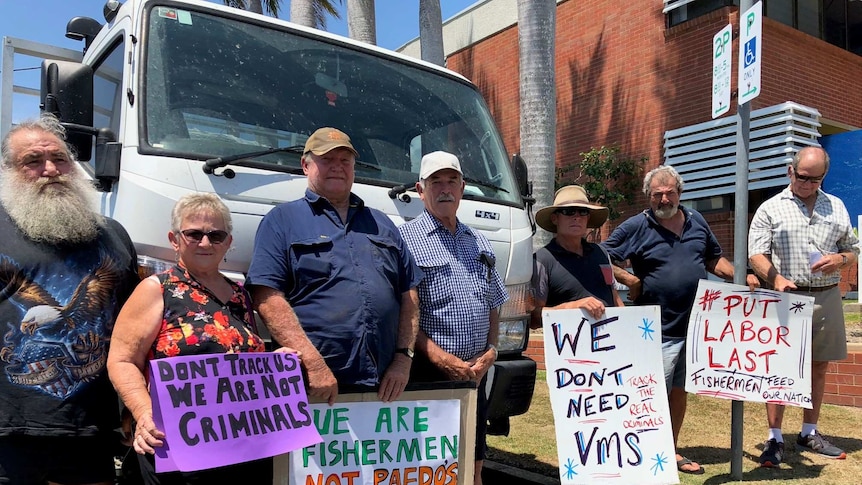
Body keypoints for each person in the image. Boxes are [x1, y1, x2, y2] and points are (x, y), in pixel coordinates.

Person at [107, 193, 289, 484]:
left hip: (240, 443)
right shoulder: (156, 289)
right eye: (194, 234)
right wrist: (144, 413)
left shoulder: (241, 295)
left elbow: (241, 364)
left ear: (228, 243)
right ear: (175, 239)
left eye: (216, 235)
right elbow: (122, 359)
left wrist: (274, 366)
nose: (205, 243)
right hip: (176, 445)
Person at [0, 114, 140, 485]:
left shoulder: (113, 236)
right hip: (8, 432)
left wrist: (134, 405)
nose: (50, 169)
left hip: (90, 431)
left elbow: (134, 332)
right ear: (8, 170)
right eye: (33, 161)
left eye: (60, 158)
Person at [247, 127, 421, 405]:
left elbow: (408, 294)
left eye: (345, 161)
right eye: (327, 160)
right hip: (312, 386)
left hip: (384, 384)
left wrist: (403, 358)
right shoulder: (281, 221)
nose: (337, 168)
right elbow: (267, 298)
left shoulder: (383, 223)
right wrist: (313, 363)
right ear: (306, 165)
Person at [602, 165, 738, 475]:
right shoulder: (637, 226)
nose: (664, 199)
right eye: (657, 194)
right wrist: (631, 281)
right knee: (650, 396)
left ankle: (669, 450)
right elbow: (601, 255)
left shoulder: (696, 220)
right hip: (655, 331)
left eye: (670, 193)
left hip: (693, 327)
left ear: (679, 192)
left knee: (679, 393)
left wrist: (742, 279)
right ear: (648, 197)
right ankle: (642, 455)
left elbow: (712, 258)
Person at [398, 151, 507, 485]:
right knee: (429, 465)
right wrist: (442, 359)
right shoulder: (404, 239)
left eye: (451, 181)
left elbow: (494, 301)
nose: (444, 189)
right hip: (427, 374)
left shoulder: (480, 240)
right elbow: (403, 314)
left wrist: (492, 349)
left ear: (462, 188)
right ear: (420, 189)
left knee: (474, 458)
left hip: (475, 374)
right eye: (435, 182)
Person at [748, 146, 859, 467]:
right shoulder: (771, 208)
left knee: (819, 365)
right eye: (802, 177)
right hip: (785, 297)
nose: (808, 184)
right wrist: (776, 278)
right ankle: (774, 437)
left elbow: (852, 250)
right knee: (780, 367)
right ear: (790, 171)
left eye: (816, 179)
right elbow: (757, 254)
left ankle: (809, 431)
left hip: (825, 295)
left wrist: (839, 259)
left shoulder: (836, 206)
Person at [531, 185, 623, 328]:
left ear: (588, 218)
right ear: (555, 218)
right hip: (570, 346)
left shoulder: (601, 253)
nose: (577, 217)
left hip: (610, 344)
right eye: (569, 211)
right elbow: (534, 317)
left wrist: (630, 325)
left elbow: (615, 297)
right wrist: (574, 306)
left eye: (583, 212)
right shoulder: (543, 260)